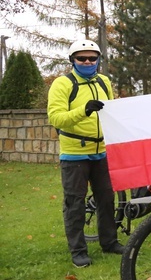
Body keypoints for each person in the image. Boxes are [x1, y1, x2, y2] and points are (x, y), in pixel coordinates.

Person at [47, 40, 124, 268]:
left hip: (102, 151)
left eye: (92, 58)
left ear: (98, 60)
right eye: (82, 58)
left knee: (107, 199)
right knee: (75, 204)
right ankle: (78, 251)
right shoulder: (62, 84)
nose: (88, 62)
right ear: (73, 60)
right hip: (74, 155)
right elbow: (56, 118)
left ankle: (109, 242)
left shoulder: (104, 81)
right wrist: (84, 110)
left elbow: (109, 110)